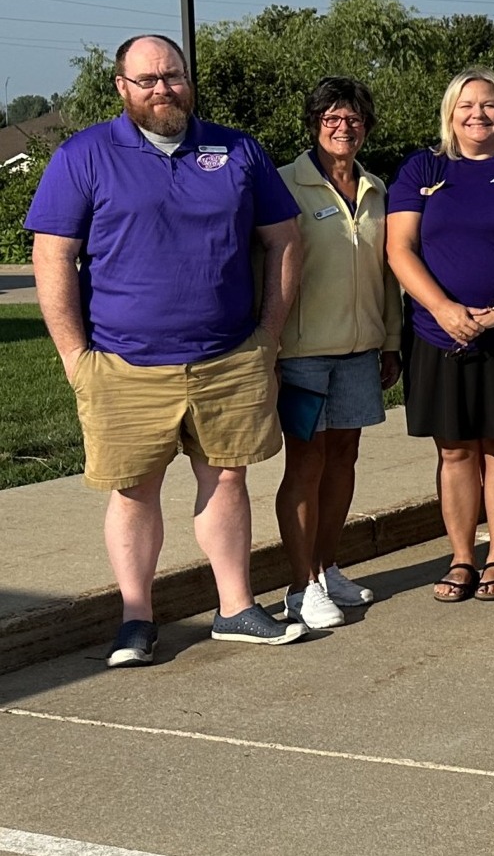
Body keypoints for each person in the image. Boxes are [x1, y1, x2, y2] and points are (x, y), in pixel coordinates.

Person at [25, 34, 306, 662]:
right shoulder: (84, 155)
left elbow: (285, 243)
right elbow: (52, 256)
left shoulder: (237, 149)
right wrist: (75, 356)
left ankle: (235, 608)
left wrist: (268, 337)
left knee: (227, 479)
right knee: (134, 488)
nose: (162, 89)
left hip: (228, 357)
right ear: (122, 87)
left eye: (172, 76)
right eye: (147, 79)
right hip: (123, 361)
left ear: (188, 80)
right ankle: (135, 620)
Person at [386, 69, 494, 606]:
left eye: (489, 105)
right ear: (450, 113)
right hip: (437, 336)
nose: (477, 115)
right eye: (466, 106)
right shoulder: (424, 167)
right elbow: (400, 249)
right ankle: (462, 555)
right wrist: (443, 310)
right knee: (456, 451)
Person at [273, 76, 403, 631]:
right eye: (331, 117)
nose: (342, 127)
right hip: (302, 354)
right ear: (314, 124)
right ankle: (299, 587)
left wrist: (392, 341)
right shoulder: (284, 185)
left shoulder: (377, 189)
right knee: (306, 463)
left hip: (361, 352)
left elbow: (389, 274)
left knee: (344, 459)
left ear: (366, 126)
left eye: (351, 118)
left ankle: (327, 568)